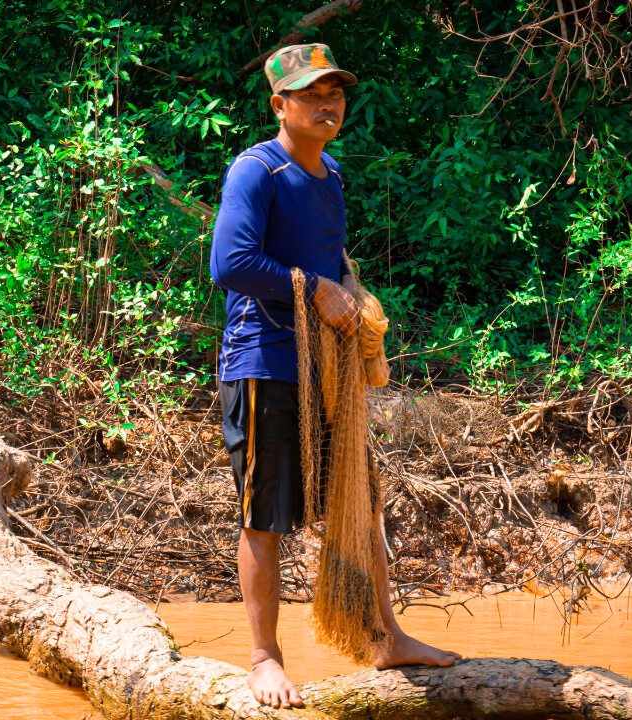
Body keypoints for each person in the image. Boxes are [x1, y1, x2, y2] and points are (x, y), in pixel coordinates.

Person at [209, 43, 460, 710]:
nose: (328, 104)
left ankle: (383, 637)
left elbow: (327, 260)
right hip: (264, 362)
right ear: (279, 105)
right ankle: (264, 658)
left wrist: (346, 296)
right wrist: (313, 288)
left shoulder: (331, 176)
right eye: (312, 94)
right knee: (265, 515)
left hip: (328, 368)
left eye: (336, 93)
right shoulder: (256, 171)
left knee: (361, 502)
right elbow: (230, 264)